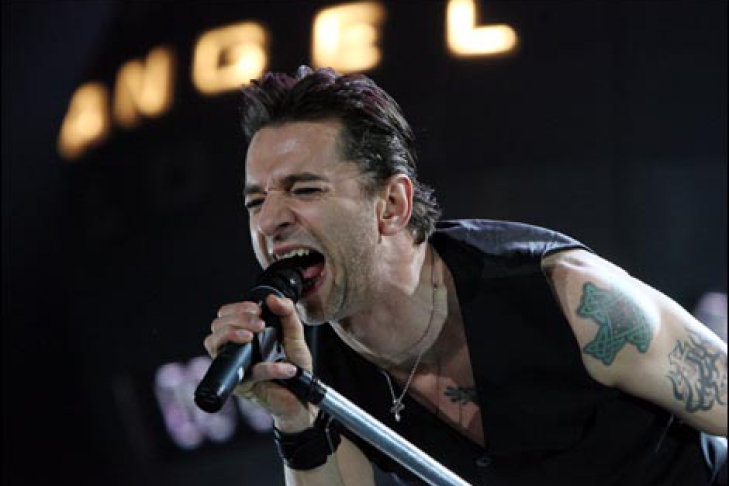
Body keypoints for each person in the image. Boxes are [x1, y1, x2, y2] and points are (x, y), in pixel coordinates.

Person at [203, 66, 727, 485]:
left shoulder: (570, 297)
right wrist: (295, 424)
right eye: (255, 201)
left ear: (391, 204)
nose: (268, 222)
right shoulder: (319, 367)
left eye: (305, 189)